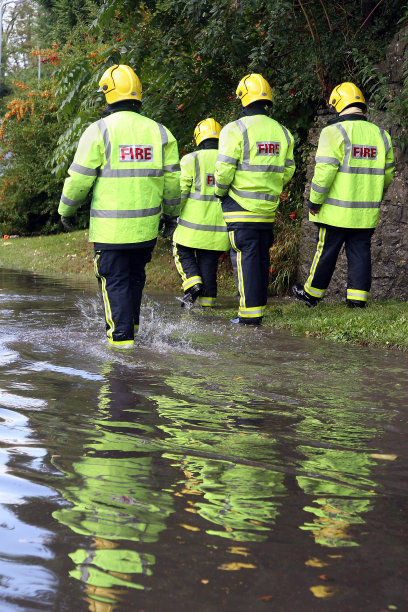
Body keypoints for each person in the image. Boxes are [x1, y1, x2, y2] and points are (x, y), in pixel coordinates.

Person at [58, 64, 181, 346]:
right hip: (145, 232)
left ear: (109, 94)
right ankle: (132, 338)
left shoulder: (99, 131)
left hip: (110, 233)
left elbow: (78, 179)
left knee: (114, 284)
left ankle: (121, 352)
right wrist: (172, 216)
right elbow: (173, 183)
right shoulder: (160, 133)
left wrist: (66, 210)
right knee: (135, 281)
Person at [293, 82, 394, 308]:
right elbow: (387, 176)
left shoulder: (333, 132)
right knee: (360, 252)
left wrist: (315, 201)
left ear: (339, 104)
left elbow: (325, 172)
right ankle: (357, 300)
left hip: (335, 212)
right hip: (365, 212)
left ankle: (311, 294)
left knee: (325, 252)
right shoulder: (381, 135)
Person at [214, 73, 295, 325]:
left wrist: (219, 191)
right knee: (260, 257)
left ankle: (249, 317)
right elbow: (289, 169)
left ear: (243, 99)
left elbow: (225, 170)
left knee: (244, 257)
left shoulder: (234, 129)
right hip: (267, 208)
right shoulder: (283, 132)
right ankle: (257, 308)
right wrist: (270, 187)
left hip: (240, 205)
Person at [172, 118, 230, 308]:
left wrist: (171, 213)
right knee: (209, 266)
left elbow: (180, 192)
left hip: (191, 228)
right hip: (219, 230)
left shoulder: (191, 159)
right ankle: (208, 307)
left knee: (180, 250)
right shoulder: (228, 159)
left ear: (198, 138)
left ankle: (193, 283)